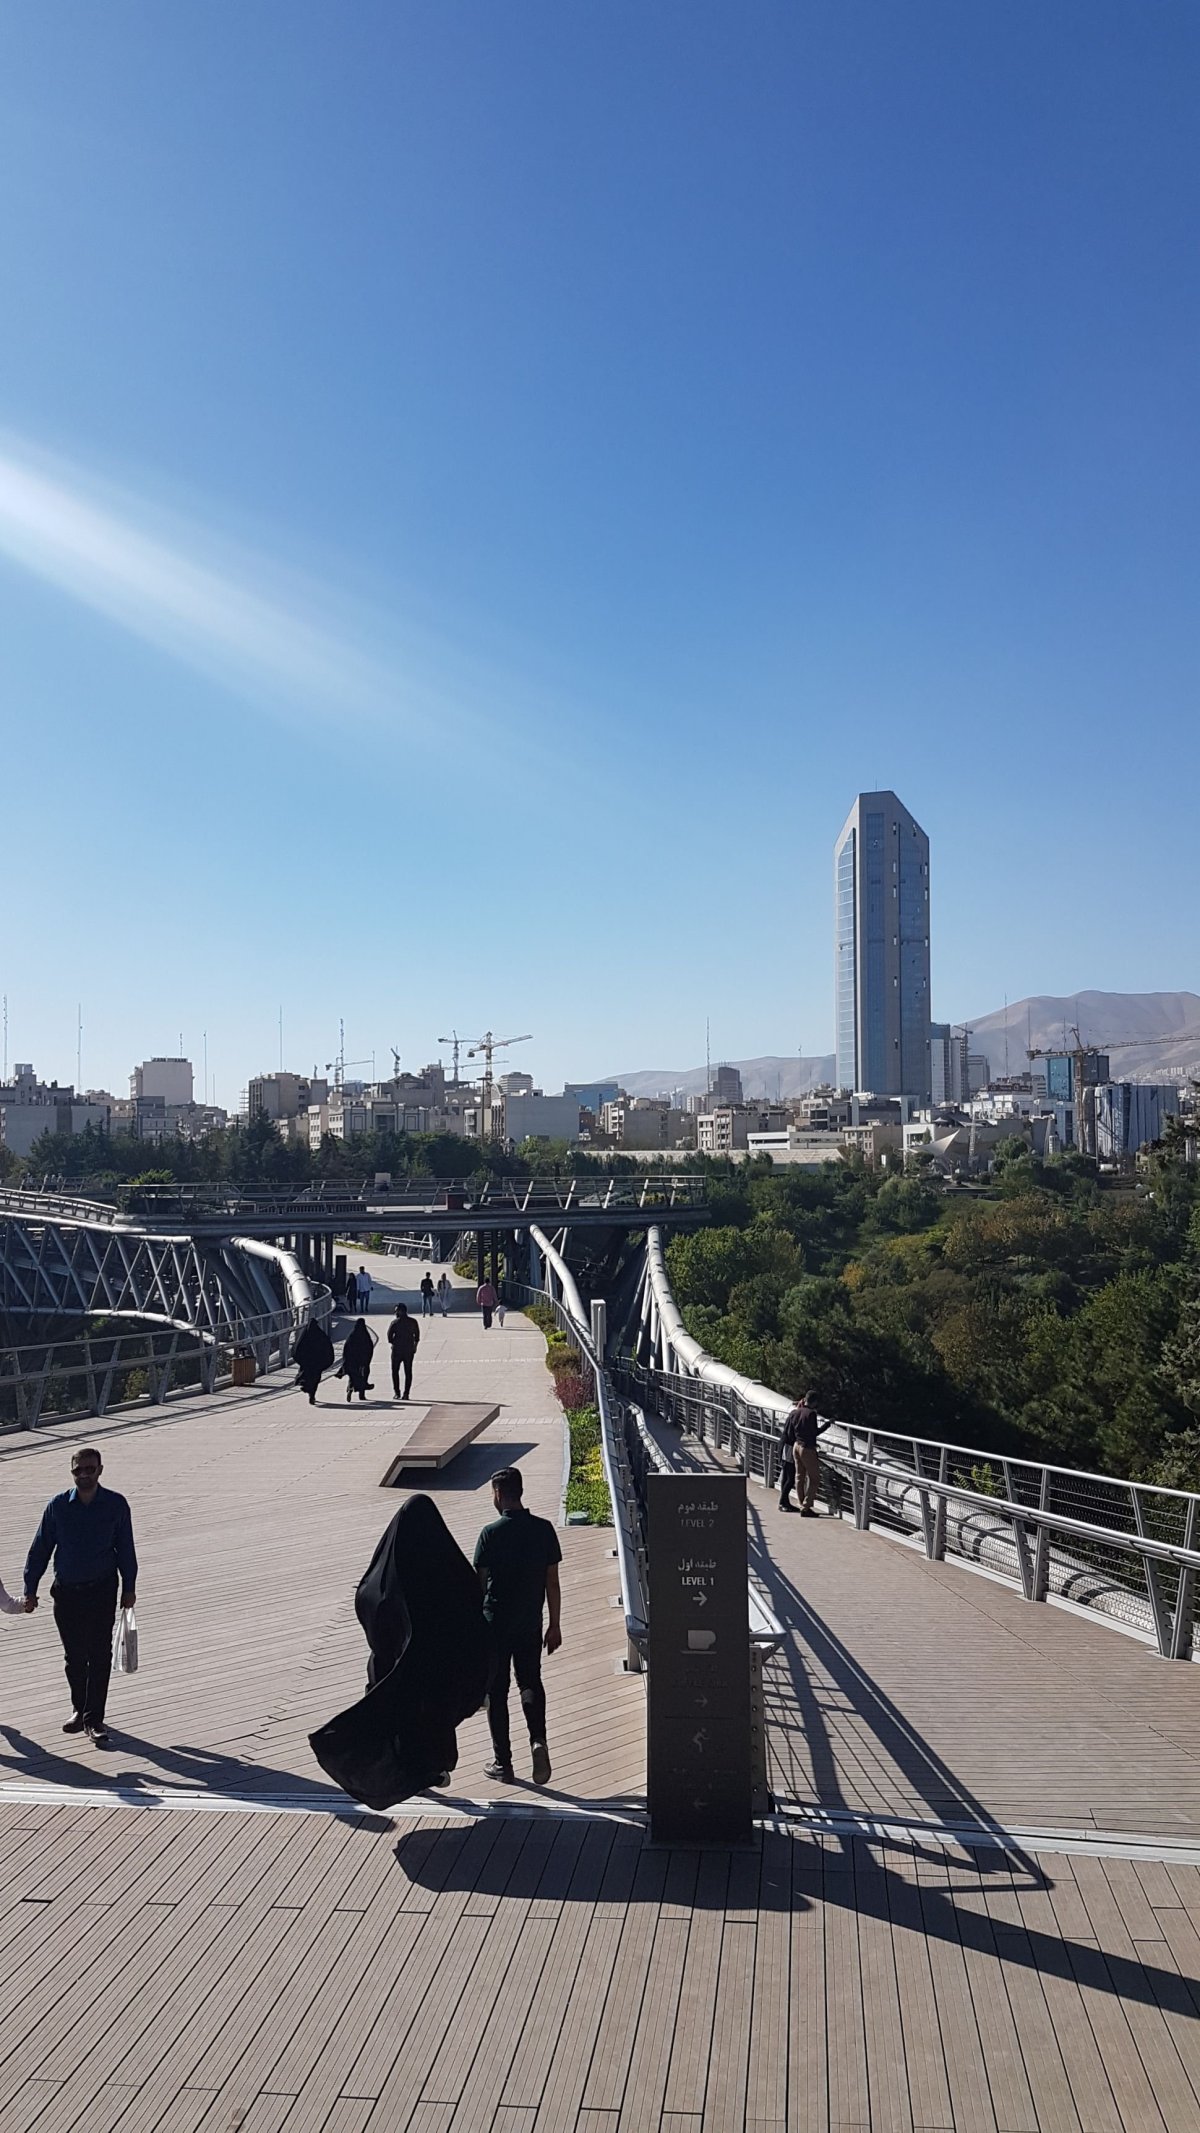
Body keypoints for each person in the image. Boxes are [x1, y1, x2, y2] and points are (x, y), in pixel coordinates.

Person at [309, 1493, 488, 1809]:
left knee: (394, 1718)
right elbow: (471, 1601)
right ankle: (435, 1768)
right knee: (433, 1716)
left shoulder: (381, 1577)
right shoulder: (444, 1568)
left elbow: (367, 1605)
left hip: (389, 1666)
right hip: (432, 1667)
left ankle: (399, 1774)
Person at [22, 1447, 138, 1746]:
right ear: (72, 1471)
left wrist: (129, 1587)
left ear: (100, 1470)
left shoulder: (115, 1504)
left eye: (90, 1469)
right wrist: (30, 1588)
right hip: (67, 1592)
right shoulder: (59, 1506)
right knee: (74, 1657)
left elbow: (126, 1547)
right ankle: (79, 1708)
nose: (84, 1474)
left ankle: (94, 1719)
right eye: (78, 1470)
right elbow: (41, 1548)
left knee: (99, 1655)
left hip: (101, 1589)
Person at [474, 1466, 561, 1786]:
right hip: (530, 1622)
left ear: (498, 1494)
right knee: (530, 1682)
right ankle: (538, 1741)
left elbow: (478, 1585)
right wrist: (554, 1625)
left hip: (495, 1624)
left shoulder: (490, 1533)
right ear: (520, 1491)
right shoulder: (544, 1530)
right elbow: (552, 1582)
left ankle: (504, 1763)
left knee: (497, 1692)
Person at [778, 1390, 829, 1516]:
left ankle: (801, 1505)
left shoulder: (795, 1412)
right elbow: (814, 1432)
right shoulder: (811, 1414)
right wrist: (827, 1425)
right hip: (806, 1448)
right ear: (815, 1402)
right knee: (814, 1479)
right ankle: (805, 1507)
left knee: (799, 1477)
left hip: (796, 1446)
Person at [294, 1317, 335, 1404]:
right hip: (317, 1364)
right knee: (315, 1380)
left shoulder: (304, 1337)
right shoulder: (321, 1336)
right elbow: (328, 1348)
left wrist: (301, 1360)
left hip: (306, 1364)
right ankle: (312, 1395)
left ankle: (307, 1389)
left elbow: (297, 1349)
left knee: (306, 1377)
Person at [387, 1301, 420, 1401]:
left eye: (396, 1311)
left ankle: (397, 1393)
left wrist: (393, 1343)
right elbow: (417, 1336)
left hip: (397, 1350)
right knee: (408, 1372)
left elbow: (389, 1337)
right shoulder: (413, 1322)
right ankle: (406, 1393)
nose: (395, 1313)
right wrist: (415, 1346)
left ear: (400, 1311)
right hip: (409, 1350)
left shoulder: (395, 1323)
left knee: (395, 1371)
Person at [340, 1317, 377, 1403]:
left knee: (354, 1375)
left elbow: (346, 1349)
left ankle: (350, 1388)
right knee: (364, 1375)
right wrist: (367, 1360)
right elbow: (370, 1348)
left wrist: (346, 1360)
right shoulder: (366, 1336)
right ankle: (362, 1394)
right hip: (363, 1360)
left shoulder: (352, 1335)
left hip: (353, 1360)